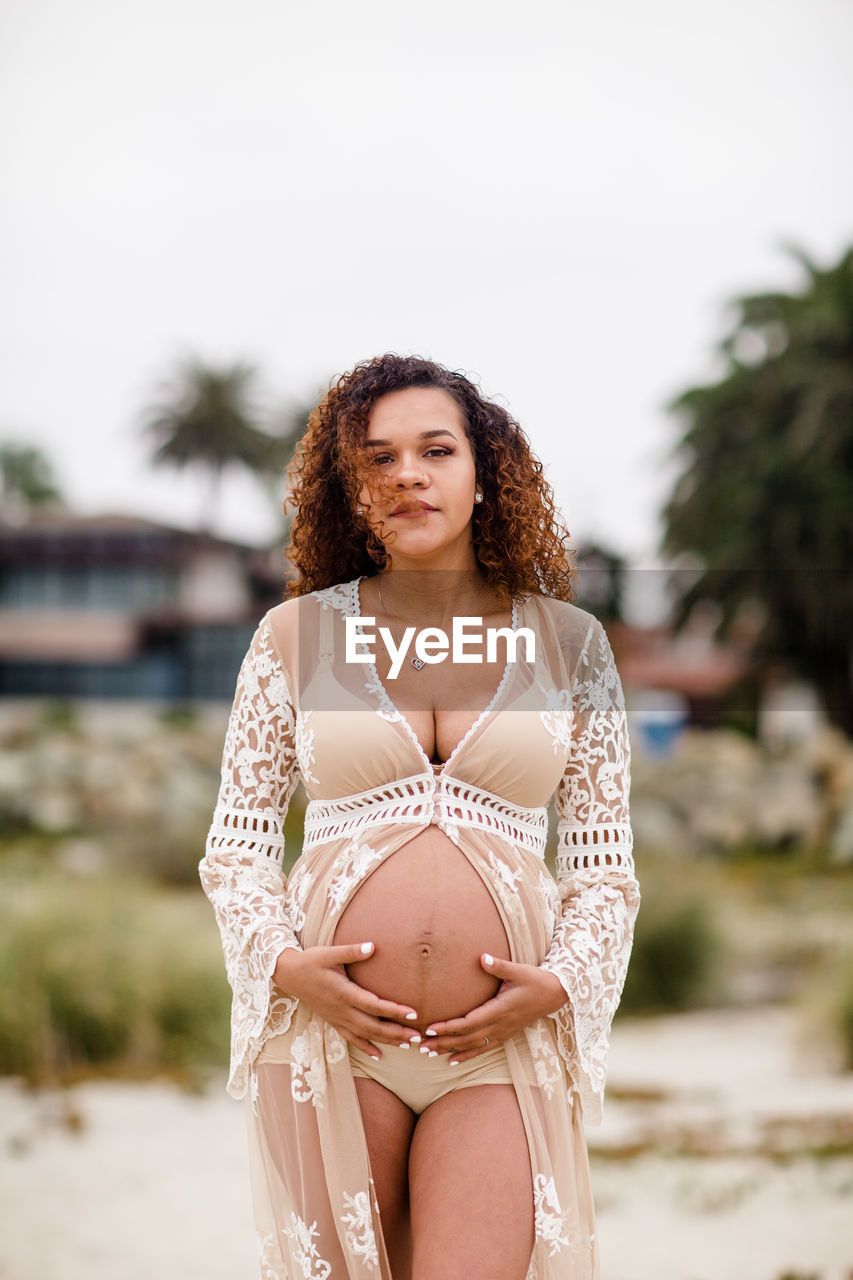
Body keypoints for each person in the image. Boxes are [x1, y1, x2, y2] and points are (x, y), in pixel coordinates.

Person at [199, 353, 640, 1280]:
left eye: (435, 450)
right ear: (348, 491)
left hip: (498, 1048)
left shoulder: (571, 648)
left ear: (483, 473)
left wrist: (559, 983)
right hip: (326, 1038)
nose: (406, 474)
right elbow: (237, 848)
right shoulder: (294, 638)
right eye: (377, 459)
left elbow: (602, 864)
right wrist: (284, 968)